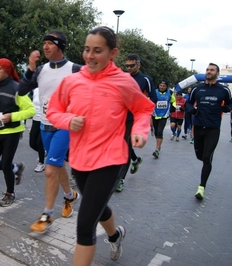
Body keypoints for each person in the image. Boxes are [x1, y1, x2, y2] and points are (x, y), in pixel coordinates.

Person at [47, 26, 154, 265]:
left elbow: (143, 108)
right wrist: (68, 120)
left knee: (85, 224)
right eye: (86, 50)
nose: (89, 56)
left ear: (112, 52)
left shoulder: (123, 82)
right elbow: (53, 111)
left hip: (111, 158)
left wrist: (139, 131)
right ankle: (115, 235)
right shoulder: (71, 81)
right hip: (81, 158)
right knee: (97, 206)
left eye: (97, 51)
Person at [18, 30, 81, 233]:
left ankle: (47, 214)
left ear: (60, 46)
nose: (45, 46)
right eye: (43, 43)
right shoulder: (41, 70)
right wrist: (31, 67)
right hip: (45, 125)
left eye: (50, 43)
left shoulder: (75, 69)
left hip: (64, 126)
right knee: (57, 164)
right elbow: (21, 90)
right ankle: (70, 195)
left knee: (50, 169)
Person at [0, 58, 35, 207]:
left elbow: (31, 110)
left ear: (7, 71)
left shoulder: (17, 89)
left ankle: (10, 193)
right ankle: (16, 168)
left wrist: (12, 116)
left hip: (12, 131)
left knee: (5, 163)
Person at [189, 63, 232, 200]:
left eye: (212, 70)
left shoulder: (223, 90)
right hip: (199, 126)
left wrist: (226, 108)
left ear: (217, 73)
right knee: (200, 155)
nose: (208, 72)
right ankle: (207, 162)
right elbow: (189, 103)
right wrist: (192, 110)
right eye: (207, 69)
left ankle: (201, 187)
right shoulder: (197, 89)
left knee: (207, 157)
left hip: (213, 128)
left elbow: (230, 103)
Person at [116, 53, 156, 192]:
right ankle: (135, 159)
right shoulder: (122, 77)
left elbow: (153, 99)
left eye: (131, 66)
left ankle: (120, 179)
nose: (128, 68)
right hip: (119, 117)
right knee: (121, 144)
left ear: (138, 65)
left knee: (125, 147)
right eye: (126, 66)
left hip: (134, 118)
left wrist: (142, 113)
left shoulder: (146, 79)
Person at [151, 80, 176, 159]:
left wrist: (173, 107)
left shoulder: (170, 93)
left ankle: (157, 149)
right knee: (156, 132)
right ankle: (158, 145)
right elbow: (149, 101)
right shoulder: (154, 92)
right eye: (161, 85)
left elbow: (173, 101)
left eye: (164, 86)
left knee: (160, 131)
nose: (162, 87)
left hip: (164, 116)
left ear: (166, 87)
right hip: (155, 115)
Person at [29, 88, 46, 172]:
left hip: (45, 120)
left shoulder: (47, 88)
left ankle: (41, 163)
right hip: (35, 119)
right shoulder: (35, 89)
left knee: (39, 142)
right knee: (32, 143)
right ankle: (43, 152)